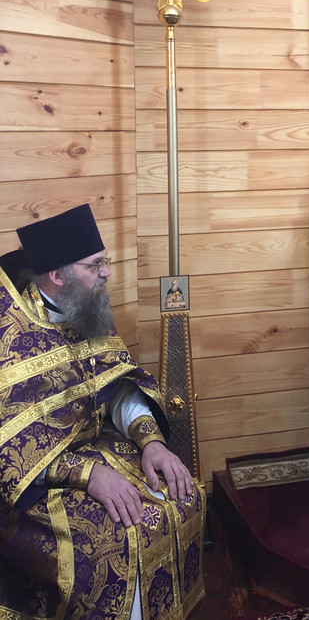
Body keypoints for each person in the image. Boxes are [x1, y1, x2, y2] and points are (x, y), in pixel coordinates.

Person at [0, 204, 205, 619]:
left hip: (102, 448)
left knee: (185, 497)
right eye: (95, 265)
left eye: (105, 261)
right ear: (58, 275)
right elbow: (10, 447)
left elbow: (117, 388)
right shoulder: (10, 334)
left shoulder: (87, 307)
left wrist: (153, 442)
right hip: (34, 483)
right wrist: (90, 475)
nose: (107, 272)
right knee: (117, 537)